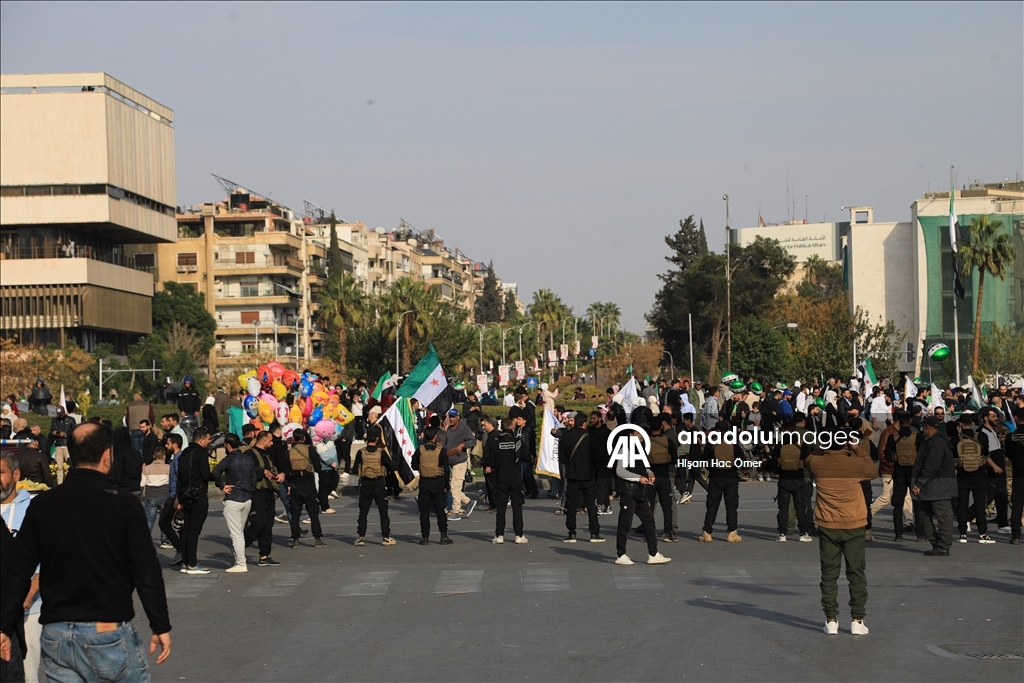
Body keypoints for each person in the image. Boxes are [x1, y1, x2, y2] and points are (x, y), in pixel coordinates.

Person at [0, 422, 172, 678]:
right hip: (106, 628)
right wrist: (160, 624)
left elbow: (18, 571)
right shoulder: (123, 504)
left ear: (70, 454)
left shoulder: (42, 505)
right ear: (106, 455)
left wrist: (4, 626)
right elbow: (146, 570)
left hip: (56, 633)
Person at [807, 427, 877, 635]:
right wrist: (856, 448)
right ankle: (857, 619)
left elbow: (810, 457)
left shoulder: (817, 463)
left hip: (828, 524)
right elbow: (872, 470)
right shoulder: (854, 464)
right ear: (845, 442)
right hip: (853, 523)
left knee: (829, 574)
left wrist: (824, 448)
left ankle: (831, 619)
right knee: (856, 572)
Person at [1, 453, 43, 682]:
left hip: (28, 610)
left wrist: (32, 589)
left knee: (25, 674)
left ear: (16, 475)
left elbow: (48, 556)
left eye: (0, 472)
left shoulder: (33, 509)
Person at [611, 424, 670, 566]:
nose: (643, 436)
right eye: (640, 433)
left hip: (640, 492)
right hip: (629, 492)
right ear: (632, 434)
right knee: (624, 524)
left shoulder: (639, 448)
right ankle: (621, 554)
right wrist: (638, 478)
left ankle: (653, 554)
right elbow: (620, 470)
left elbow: (644, 466)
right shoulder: (625, 448)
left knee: (649, 522)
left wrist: (649, 473)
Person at [912, 416, 957, 556]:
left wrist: (919, 483)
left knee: (943, 517)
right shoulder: (936, 440)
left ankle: (943, 545)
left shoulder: (936, 443)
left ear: (927, 427)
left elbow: (932, 466)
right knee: (923, 515)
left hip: (937, 487)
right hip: (933, 487)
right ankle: (937, 542)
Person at [212, 434, 257, 572]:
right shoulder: (248, 459)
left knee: (236, 533)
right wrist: (250, 490)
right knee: (240, 532)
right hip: (247, 498)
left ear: (228, 445)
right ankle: (239, 559)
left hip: (234, 498)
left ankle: (240, 563)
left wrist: (222, 486)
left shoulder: (229, 459)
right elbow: (253, 478)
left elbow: (215, 472)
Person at [482, 418, 530, 544]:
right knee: (517, 508)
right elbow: (527, 458)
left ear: (501, 428)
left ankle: (499, 535)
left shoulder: (495, 442)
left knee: (501, 508)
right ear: (512, 427)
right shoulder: (518, 441)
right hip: (515, 479)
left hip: (501, 478)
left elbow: (491, 460)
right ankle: (519, 535)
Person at [558, 412, 604, 543]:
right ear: (584, 423)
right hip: (588, 476)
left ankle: (571, 533)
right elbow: (596, 459)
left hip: (573, 475)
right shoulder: (590, 438)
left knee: (571, 505)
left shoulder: (566, 438)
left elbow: (563, 459)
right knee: (591, 505)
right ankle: (594, 533)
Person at [242, 429, 283, 566]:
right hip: (256, 493)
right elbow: (245, 471)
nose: (272, 444)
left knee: (268, 525)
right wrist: (261, 472)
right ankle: (240, 546)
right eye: (270, 441)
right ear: (264, 441)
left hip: (269, 492)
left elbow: (274, 469)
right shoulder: (249, 454)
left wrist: (280, 475)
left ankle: (264, 556)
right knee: (258, 523)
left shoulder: (268, 455)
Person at [175, 427, 213, 574]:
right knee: (194, 531)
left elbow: (180, 477)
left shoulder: (184, 454)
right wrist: (214, 476)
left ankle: (185, 562)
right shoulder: (201, 454)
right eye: (208, 439)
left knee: (186, 529)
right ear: (201, 439)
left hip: (185, 495)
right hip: (198, 496)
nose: (209, 442)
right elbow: (205, 475)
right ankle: (192, 563)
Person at [352, 426, 397, 546]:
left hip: (365, 485)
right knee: (383, 512)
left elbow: (354, 469)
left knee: (363, 512)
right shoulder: (381, 452)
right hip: (379, 485)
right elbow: (393, 467)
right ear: (377, 438)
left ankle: (361, 537)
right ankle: (386, 537)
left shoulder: (361, 452)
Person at [700, 422, 742, 543]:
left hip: (715, 478)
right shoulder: (733, 444)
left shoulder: (711, 444)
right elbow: (742, 461)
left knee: (712, 505)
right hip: (731, 478)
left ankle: (707, 533)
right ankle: (732, 533)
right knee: (731, 505)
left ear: (717, 430)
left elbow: (703, 461)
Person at [411, 427, 453, 545]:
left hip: (424, 483)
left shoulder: (420, 450)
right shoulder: (441, 451)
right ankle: (443, 536)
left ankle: (425, 537)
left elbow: (414, 466)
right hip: (438, 483)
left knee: (424, 512)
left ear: (424, 437)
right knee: (441, 511)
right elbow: (446, 469)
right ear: (434, 437)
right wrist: (447, 485)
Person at [772, 424, 813, 542]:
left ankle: (782, 533)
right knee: (800, 507)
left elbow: (774, 462)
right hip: (799, 479)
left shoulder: (780, 445)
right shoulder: (801, 445)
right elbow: (808, 460)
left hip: (784, 480)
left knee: (783, 508)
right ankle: (803, 533)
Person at [285, 429, 325, 549]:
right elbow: (318, 467)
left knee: (295, 514)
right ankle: (317, 539)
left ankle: (295, 539)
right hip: (308, 483)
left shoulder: (289, 452)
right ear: (303, 438)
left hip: (295, 484)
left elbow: (286, 471)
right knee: (313, 513)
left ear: (294, 439)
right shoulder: (310, 449)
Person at [883, 411, 919, 541]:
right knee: (918, 503)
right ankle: (921, 534)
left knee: (898, 504)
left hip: (899, 472)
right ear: (910, 421)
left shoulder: (893, 437)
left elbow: (888, 456)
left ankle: (898, 534)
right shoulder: (916, 436)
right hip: (914, 473)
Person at [646, 413, 677, 542]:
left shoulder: (646, 441)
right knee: (667, 506)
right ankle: (669, 532)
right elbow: (675, 458)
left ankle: (648, 533)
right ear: (661, 426)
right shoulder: (667, 440)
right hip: (664, 475)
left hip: (651, 477)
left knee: (649, 506)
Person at [979, 407, 1010, 534]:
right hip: (991, 470)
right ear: (985, 418)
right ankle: (968, 518)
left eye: (997, 416)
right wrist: (994, 466)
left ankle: (1002, 524)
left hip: (1000, 469)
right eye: (993, 416)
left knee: (1002, 495)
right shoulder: (982, 433)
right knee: (988, 497)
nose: (996, 419)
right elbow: (984, 454)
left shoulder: (992, 431)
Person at [444, 409, 477, 520]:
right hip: (450, 461)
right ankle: (469, 502)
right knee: (453, 487)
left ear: (458, 417)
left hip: (460, 461)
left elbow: (473, 441)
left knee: (455, 486)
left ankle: (456, 511)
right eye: (450, 417)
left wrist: (463, 445)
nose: (451, 419)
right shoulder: (449, 429)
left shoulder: (464, 428)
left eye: (453, 417)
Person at [158, 434, 184, 564]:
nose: (165, 446)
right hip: (172, 494)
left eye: (168, 444)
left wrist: (177, 499)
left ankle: (181, 549)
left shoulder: (179, 458)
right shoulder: (175, 458)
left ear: (174, 444)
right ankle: (181, 549)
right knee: (171, 523)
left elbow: (180, 479)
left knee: (164, 522)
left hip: (175, 495)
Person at [142, 447, 172, 549]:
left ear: (154, 456)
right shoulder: (169, 467)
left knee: (149, 520)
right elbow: (172, 482)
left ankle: (145, 539)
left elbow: (142, 483)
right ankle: (165, 541)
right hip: (164, 495)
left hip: (151, 496)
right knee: (164, 519)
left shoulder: (147, 468)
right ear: (164, 456)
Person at [1006, 409, 1024, 545]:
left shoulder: (1011, 436)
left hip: (1019, 474)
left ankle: (1016, 535)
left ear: (1016, 418)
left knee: (1017, 504)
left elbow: (1009, 455)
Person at [109, 427, 143, 497]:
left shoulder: (119, 454)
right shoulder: (136, 453)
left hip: (124, 490)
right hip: (136, 488)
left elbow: (117, 474)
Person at [48, 405, 76, 485]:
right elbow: (51, 432)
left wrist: (66, 434)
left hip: (67, 444)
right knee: (59, 466)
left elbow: (74, 432)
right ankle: (59, 483)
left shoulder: (71, 420)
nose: (60, 416)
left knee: (69, 465)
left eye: (61, 414)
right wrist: (53, 433)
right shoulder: (54, 421)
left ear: (64, 412)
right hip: (58, 444)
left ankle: (70, 482)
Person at [176, 376, 202, 440]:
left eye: (188, 383)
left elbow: (198, 402)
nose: (186, 384)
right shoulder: (182, 392)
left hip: (194, 414)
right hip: (184, 414)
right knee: (184, 429)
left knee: (194, 429)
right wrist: (182, 410)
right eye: (185, 383)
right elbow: (180, 402)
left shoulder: (195, 392)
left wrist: (197, 410)